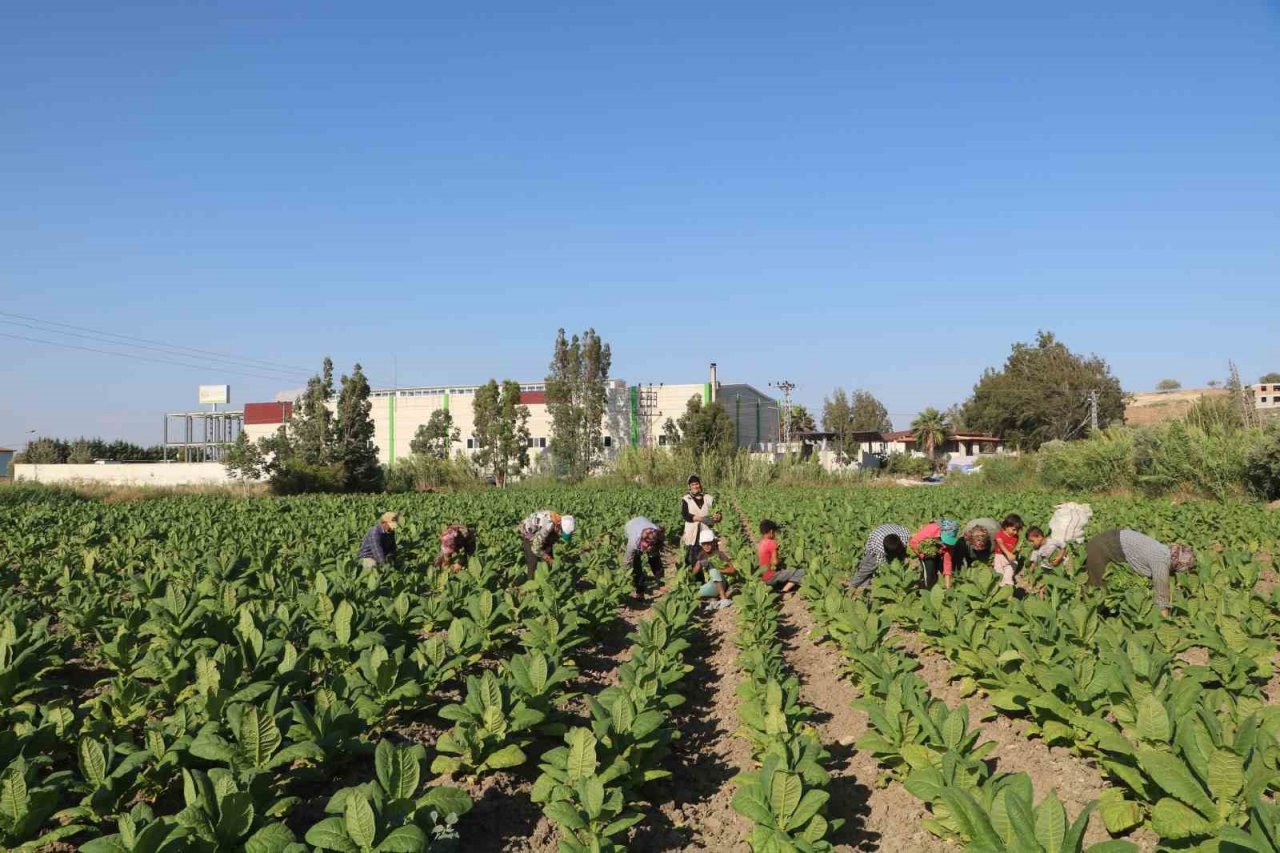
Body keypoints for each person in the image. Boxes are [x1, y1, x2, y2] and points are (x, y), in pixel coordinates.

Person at [1083, 529, 1195, 617]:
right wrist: (1165, 623)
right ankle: (1085, 612)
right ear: (1177, 564)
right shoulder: (1161, 561)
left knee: (1103, 586)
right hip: (1102, 546)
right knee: (1095, 588)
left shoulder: (1164, 551)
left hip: (1112, 538)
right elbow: (1161, 597)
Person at [846, 523, 911, 591]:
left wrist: (906, 558)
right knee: (867, 567)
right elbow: (878, 567)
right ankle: (856, 584)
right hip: (875, 539)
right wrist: (853, 584)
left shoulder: (905, 536)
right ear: (886, 552)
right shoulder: (877, 550)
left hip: (889, 530)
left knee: (903, 559)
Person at [518, 510, 575, 579]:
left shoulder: (560, 520)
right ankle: (531, 580)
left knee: (548, 548)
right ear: (559, 526)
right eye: (562, 532)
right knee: (533, 559)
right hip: (528, 532)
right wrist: (547, 557)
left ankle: (550, 573)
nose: (561, 534)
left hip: (541, 531)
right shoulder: (548, 526)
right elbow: (535, 548)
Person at [680, 475, 723, 567]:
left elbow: (718, 511)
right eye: (692, 484)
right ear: (689, 487)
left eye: (697, 484)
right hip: (692, 533)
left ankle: (711, 575)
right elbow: (685, 515)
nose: (695, 486)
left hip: (706, 531)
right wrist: (702, 519)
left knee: (711, 557)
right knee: (693, 558)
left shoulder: (708, 498)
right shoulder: (686, 499)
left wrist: (718, 516)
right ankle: (698, 578)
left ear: (700, 485)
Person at [908, 518, 961, 589]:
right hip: (926, 551)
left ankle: (931, 587)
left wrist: (948, 586)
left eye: (948, 542)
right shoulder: (931, 530)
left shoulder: (949, 545)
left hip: (937, 550)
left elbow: (947, 564)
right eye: (945, 541)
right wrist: (922, 554)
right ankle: (924, 591)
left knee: (934, 572)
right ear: (941, 533)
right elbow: (913, 542)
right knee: (929, 572)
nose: (945, 545)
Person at [692, 528, 734, 611]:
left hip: (723, 583)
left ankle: (724, 599)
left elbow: (732, 570)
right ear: (701, 544)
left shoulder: (719, 554)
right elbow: (694, 572)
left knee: (713, 570)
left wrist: (719, 570)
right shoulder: (701, 555)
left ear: (713, 543)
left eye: (708, 543)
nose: (706, 546)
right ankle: (713, 600)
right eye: (704, 544)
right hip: (712, 585)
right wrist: (699, 563)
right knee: (694, 593)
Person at [758, 519, 804, 594]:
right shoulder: (771, 543)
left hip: (763, 576)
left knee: (784, 571)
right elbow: (775, 562)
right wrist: (780, 560)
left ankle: (776, 586)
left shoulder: (761, 543)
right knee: (800, 572)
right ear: (771, 531)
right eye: (775, 533)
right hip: (771, 576)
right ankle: (783, 591)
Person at [624, 516, 664, 596]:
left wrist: (652, 550)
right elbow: (627, 562)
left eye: (651, 546)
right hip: (631, 525)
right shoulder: (633, 542)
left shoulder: (657, 534)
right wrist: (626, 576)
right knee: (636, 565)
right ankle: (640, 592)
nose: (648, 548)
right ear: (642, 540)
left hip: (643, 521)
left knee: (655, 558)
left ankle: (661, 581)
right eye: (646, 545)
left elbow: (658, 546)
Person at [991, 514, 1024, 586]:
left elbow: (1011, 549)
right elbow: (1000, 543)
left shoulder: (1016, 537)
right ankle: (1000, 585)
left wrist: (1016, 550)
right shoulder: (1000, 534)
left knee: (1014, 564)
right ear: (1006, 526)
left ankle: (1008, 581)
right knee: (999, 573)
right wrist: (1008, 553)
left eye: (1018, 530)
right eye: (1014, 529)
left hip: (1008, 558)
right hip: (1000, 557)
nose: (1016, 532)